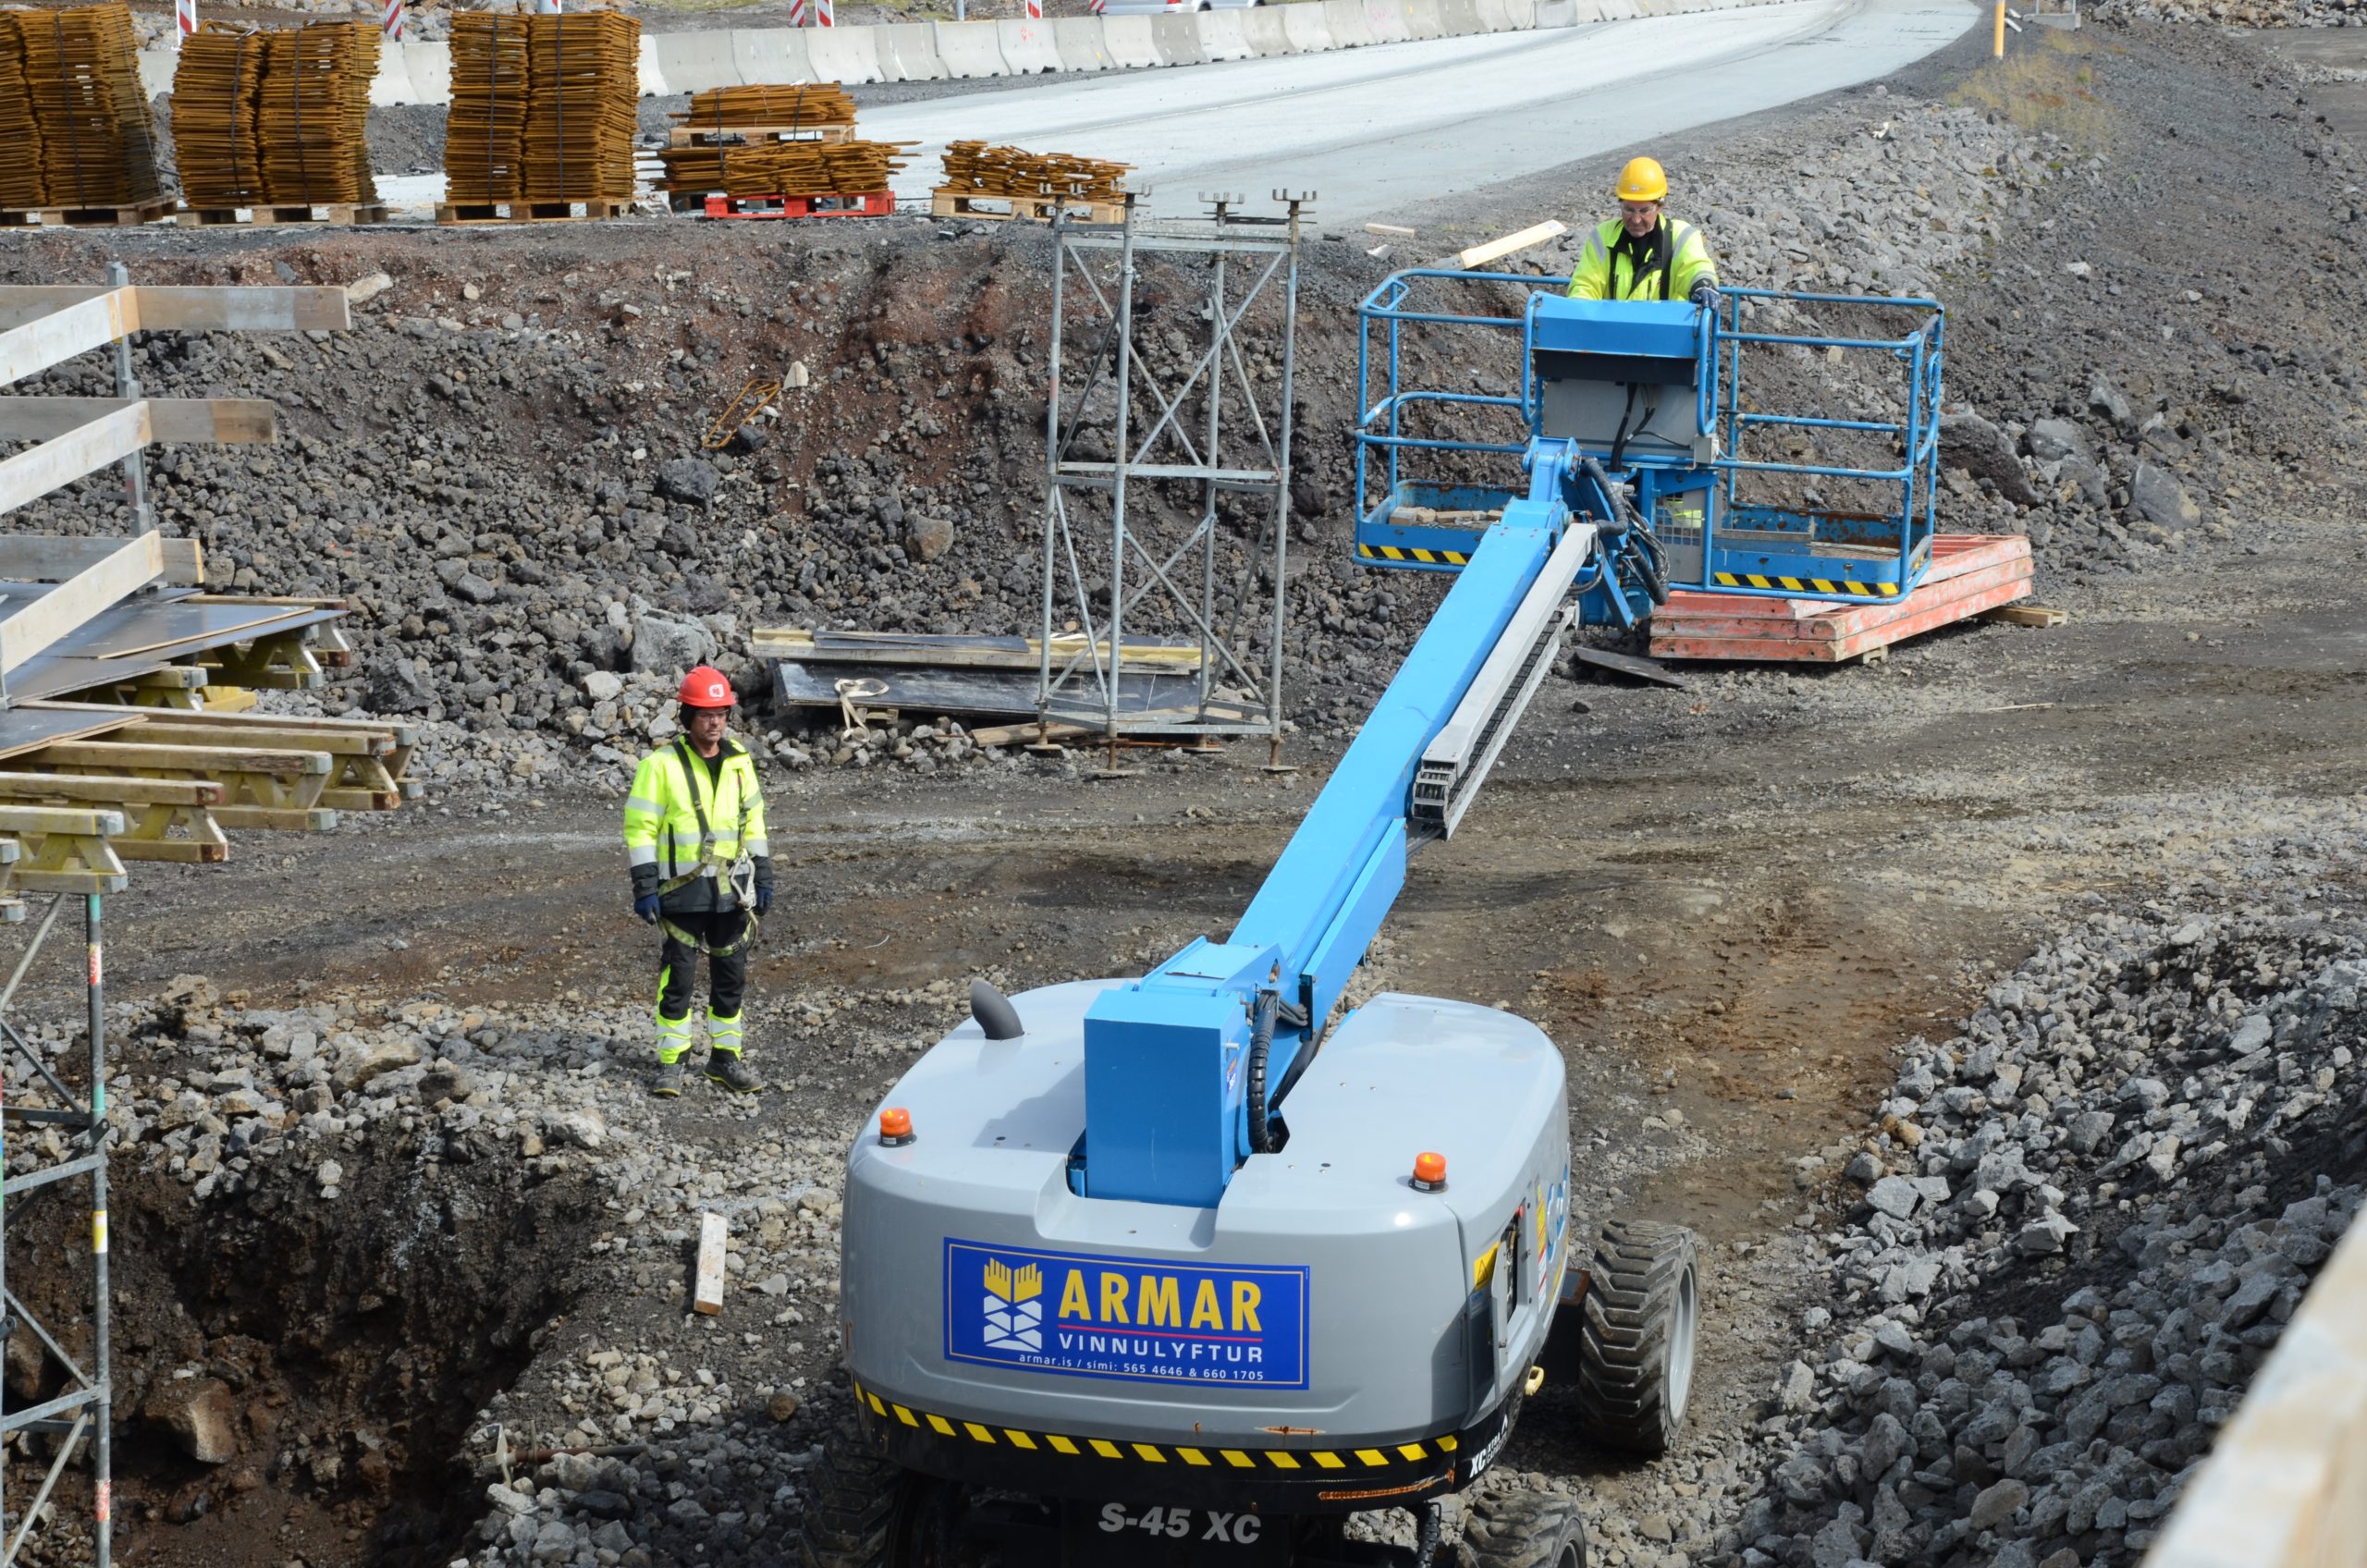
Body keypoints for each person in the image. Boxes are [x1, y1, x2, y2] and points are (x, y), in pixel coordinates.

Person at [623, 665, 774, 1096]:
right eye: (706, 714)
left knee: (731, 978)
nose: (715, 722)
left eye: (722, 713)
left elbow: (755, 824)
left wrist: (763, 877)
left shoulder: (741, 763)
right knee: (680, 979)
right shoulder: (659, 766)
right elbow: (640, 830)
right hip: (680, 892)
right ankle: (672, 1063)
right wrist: (645, 887)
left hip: (731, 894)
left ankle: (725, 1061)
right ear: (687, 716)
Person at [1567, 157, 1721, 308]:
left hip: (1664, 331)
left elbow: (1696, 266)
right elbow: (1585, 285)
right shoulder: (1602, 236)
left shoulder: (1681, 237)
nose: (1636, 219)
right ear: (1620, 204)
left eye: (1645, 211)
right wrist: (1581, 310)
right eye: (1628, 209)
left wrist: (1703, 285)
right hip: (1615, 331)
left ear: (1660, 206)